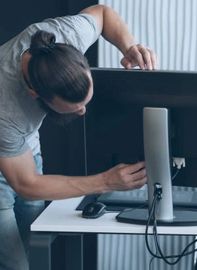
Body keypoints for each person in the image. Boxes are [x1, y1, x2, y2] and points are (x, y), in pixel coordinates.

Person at [0, 4, 156, 270]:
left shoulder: (64, 35)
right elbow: (26, 183)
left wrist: (129, 46)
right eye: (74, 108)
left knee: (34, 243)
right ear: (36, 95)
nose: (83, 112)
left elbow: (103, 14)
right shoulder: (6, 107)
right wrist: (105, 181)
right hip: (9, 143)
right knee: (16, 264)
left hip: (22, 144)